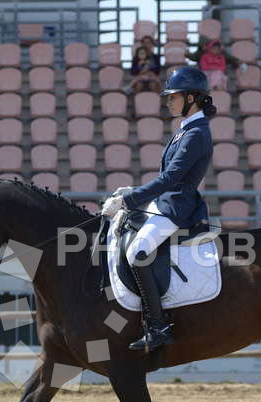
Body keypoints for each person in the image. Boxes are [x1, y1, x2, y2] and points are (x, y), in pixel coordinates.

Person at [101, 66, 217, 353]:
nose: (168, 102)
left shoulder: (196, 133)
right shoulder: (185, 130)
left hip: (176, 208)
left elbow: (171, 179)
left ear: (191, 98)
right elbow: (166, 177)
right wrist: (132, 191)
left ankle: (158, 327)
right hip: (164, 202)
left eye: (173, 97)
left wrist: (130, 200)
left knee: (138, 252)